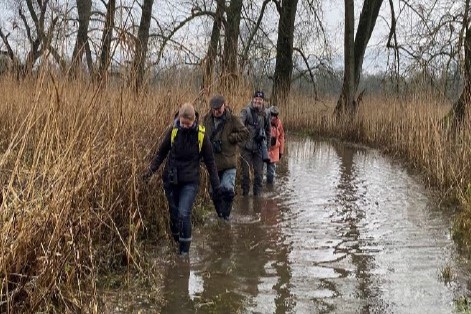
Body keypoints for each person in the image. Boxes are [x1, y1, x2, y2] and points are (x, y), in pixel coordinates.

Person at [143, 103, 221, 256]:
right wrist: (149, 172)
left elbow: (211, 162)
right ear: (178, 119)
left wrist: (216, 185)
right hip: (171, 181)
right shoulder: (173, 131)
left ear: (194, 120)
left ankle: (184, 254)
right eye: (182, 123)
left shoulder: (201, 136)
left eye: (188, 123)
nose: (184, 126)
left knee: (184, 214)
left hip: (190, 182)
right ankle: (177, 241)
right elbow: (160, 154)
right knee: (174, 215)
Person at [203, 95, 249, 220]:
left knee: (228, 191)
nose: (216, 111)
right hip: (213, 164)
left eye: (219, 108)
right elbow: (200, 135)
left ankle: (226, 218)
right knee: (215, 193)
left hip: (229, 161)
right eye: (214, 109)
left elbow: (245, 133)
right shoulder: (206, 120)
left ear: (224, 105)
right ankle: (221, 215)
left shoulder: (233, 119)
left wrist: (232, 138)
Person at [239, 91, 271, 196]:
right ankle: (245, 196)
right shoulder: (245, 111)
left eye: (260, 100)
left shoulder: (266, 113)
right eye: (256, 99)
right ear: (253, 99)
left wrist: (268, 147)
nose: (258, 101)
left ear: (263, 101)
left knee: (259, 175)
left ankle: (257, 198)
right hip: (246, 148)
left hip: (259, 148)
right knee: (245, 175)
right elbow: (239, 125)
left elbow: (268, 131)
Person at [266, 106, 285, 184]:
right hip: (264, 150)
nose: (273, 117)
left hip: (274, 151)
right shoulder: (264, 120)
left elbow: (281, 136)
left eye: (275, 115)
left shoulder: (279, 123)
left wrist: (281, 151)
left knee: (271, 174)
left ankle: (270, 187)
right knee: (259, 173)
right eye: (272, 115)